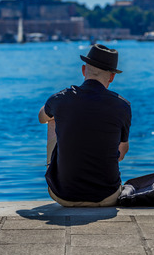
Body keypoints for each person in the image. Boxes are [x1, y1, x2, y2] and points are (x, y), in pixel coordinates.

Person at [38, 44, 132, 207]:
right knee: (120, 141)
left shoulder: (60, 98)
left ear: (83, 70)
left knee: (52, 119)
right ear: (111, 77)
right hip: (107, 197)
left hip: (63, 195)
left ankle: (59, 175)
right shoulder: (123, 106)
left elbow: (41, 117)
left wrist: (60, 108)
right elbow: (121, 154)